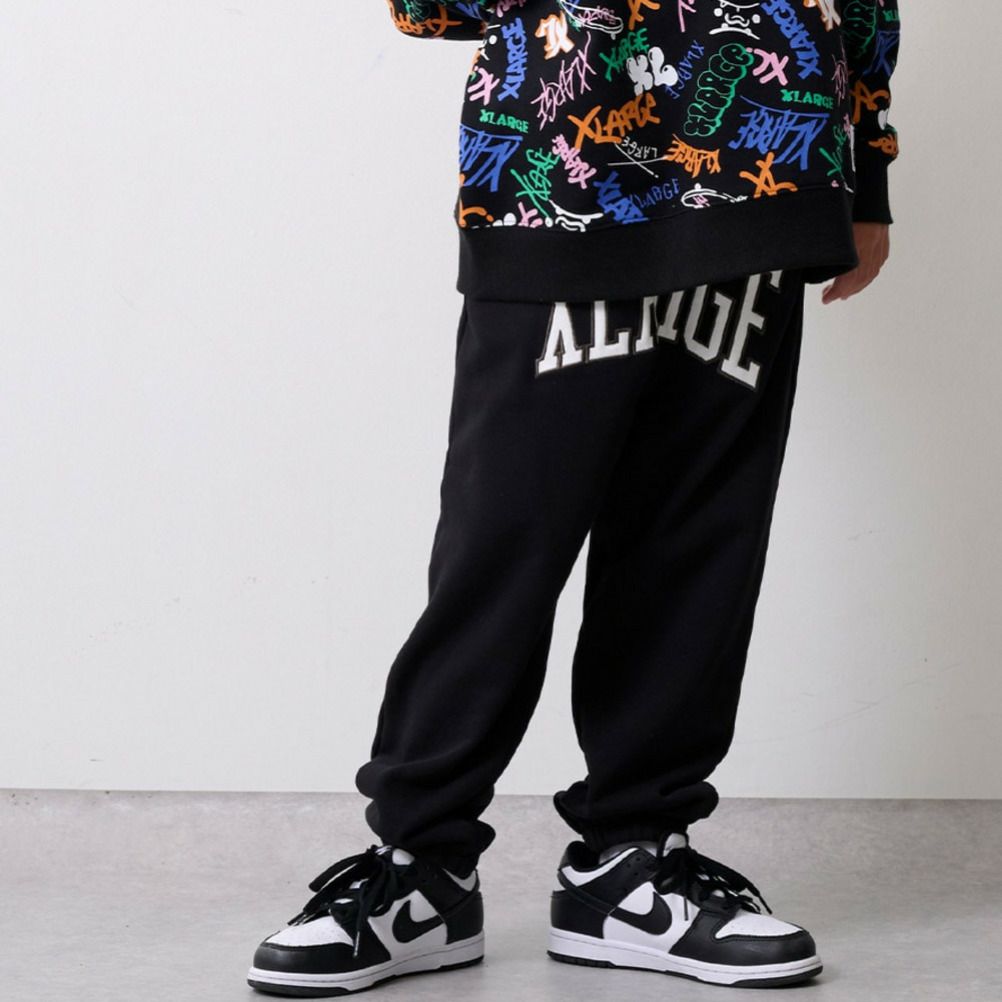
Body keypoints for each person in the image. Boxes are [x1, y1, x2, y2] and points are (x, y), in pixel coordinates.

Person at [247, 0, 900, 994]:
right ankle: (420, 863)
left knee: (698, 538)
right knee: (502, 539)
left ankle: (631, 862)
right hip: (557, 180)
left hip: (767, 169)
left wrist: (869, 169)